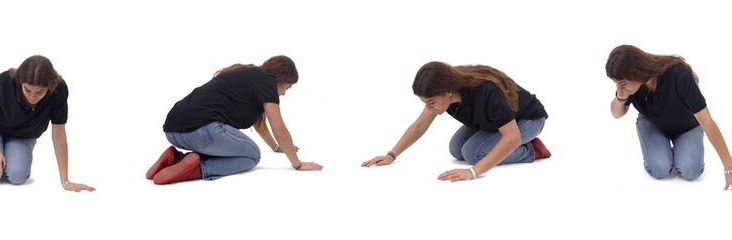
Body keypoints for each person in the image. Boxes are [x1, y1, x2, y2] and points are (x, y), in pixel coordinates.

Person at [362, 61, 550, 182]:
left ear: (448, 91)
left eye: (431, 102)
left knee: (473, 153)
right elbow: (420, 124)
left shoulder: (485, 92)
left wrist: (473, 172)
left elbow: (511, 137)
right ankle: (510, 145)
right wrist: (391, 155)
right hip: (495, 121)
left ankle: (531, 150)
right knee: (456, 148)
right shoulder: (446, 91)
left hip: (526, 120)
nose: (429, 108)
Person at [148, 55, 322, 185]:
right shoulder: (267, 81)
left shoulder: (249, 75)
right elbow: (280, 131)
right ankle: (198, 168)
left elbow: (260, 125)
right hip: (201, 130)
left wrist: (276, 147)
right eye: (287, 87)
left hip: (173, 131)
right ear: (281, 78)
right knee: (252, 156)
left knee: (239, 148)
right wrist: (298, 165)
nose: (284, 93)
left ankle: (176, 159)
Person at [607, 45, 732, 194]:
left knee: (691, 171)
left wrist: (730, 168)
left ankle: (676, 149)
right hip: (653, 124)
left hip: (687, 126)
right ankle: (666, 151)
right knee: (659, 170)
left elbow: (707, 121)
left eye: (622, 83)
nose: (620, 87)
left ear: (636, 72)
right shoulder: (628, 88)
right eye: (616, 83)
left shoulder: (677, 73)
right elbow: (616, 114)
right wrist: (620, 98)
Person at [0, 55, 95, 192]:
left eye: (39, 92)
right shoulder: (5, 80)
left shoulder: (59, 89)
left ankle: (11, 150)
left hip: (23, 136)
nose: (32, 97)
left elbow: (59, 135)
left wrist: (65, 181)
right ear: (20, 82)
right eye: (27, 90)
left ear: (49, 87)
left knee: (17, 176)